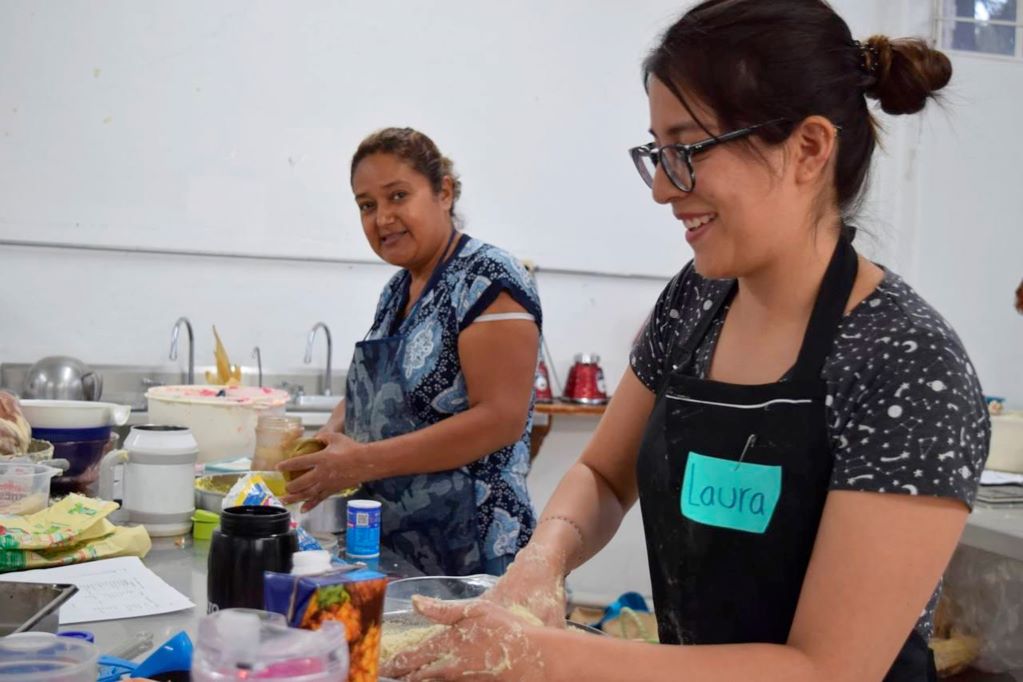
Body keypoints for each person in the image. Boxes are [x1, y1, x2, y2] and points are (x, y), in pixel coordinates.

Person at [382, 1, 991, 680]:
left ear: (808, 149)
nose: (663, 190)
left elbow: (827, 669)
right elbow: (601, 475)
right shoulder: (696, 301)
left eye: (688, 149)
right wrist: (542, 561)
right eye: (658, 153)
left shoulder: (907, 366)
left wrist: (546, 656)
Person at [280, 127, 542, 576]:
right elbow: (377, 393)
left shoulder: (488, 279)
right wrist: (326, 440)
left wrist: (359, 463)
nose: (382, 218)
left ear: (444, 192)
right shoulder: (397, 289)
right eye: (367, 205)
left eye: (398, 196)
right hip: (395, 542)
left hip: (473, 547)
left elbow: (501, 419)